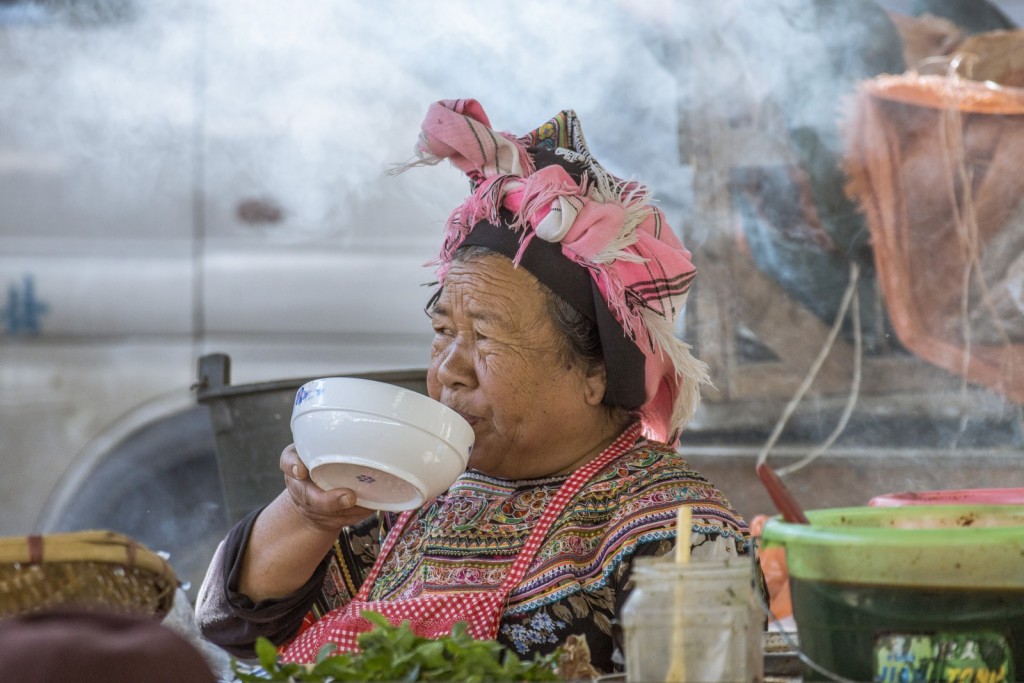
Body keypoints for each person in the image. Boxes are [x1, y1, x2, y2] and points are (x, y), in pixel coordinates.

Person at [195, 98, 750, 674]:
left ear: (596, 372)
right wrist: (310, 514)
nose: (449, 369)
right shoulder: (415, 489)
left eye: (485, 336)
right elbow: (234, 622)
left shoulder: (677, 529)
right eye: (442, 331)